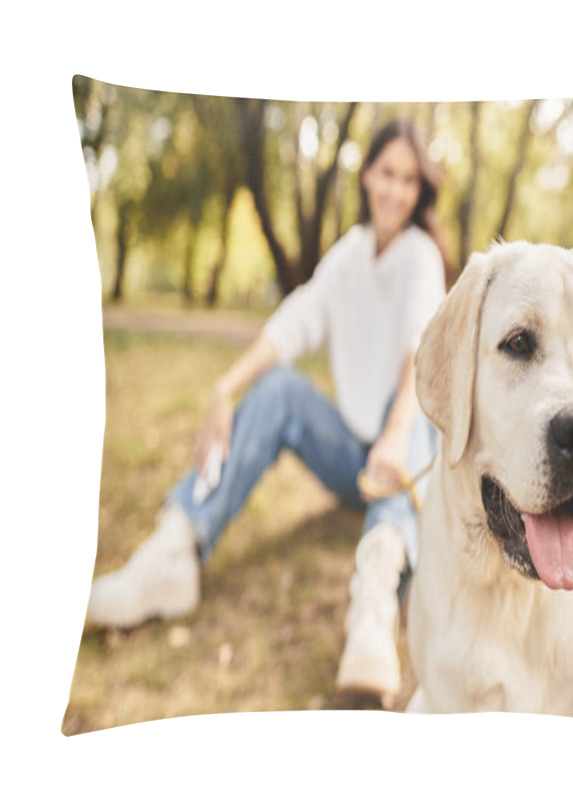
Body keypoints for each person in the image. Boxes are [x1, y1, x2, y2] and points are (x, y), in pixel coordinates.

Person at [85, 118, 448, 706]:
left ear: (419, 191)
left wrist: (397, 432)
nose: (396, 190)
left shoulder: (421, 257)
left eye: (409, 180)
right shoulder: (349, 255)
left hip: (403, 455)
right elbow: (296, 321)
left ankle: (374, 604)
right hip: (354, 456)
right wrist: (225, 388)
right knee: (279, 389)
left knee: (413, 413)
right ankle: (175, 551)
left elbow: (420, 347)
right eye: (388, 173)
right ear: (366, 176)